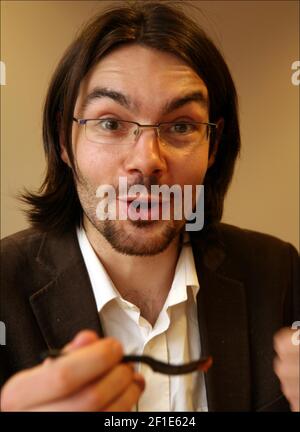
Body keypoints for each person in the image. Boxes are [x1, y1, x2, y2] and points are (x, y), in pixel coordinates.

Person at [0, 1, 299, 412]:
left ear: (212, 145)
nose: (147, 159)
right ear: (64, 139)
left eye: (180, 126)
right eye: (110, 123)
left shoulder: (278, 272)